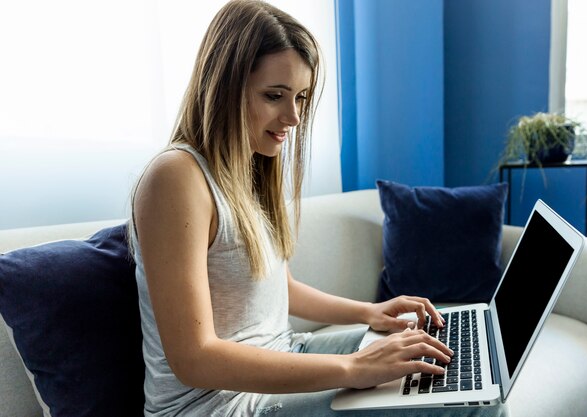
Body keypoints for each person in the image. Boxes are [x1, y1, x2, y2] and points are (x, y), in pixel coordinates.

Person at [129, 1, 509, 416]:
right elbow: (194, 359)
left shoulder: (250, 166)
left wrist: (371, 312)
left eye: (301, 97)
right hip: (220, 406)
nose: (293, 117)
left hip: (284, 352)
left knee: (448, 366)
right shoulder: (175, 178)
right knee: (475, 407)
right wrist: (353, 366)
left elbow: (280, 289)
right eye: (274, 96)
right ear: (223, 88)